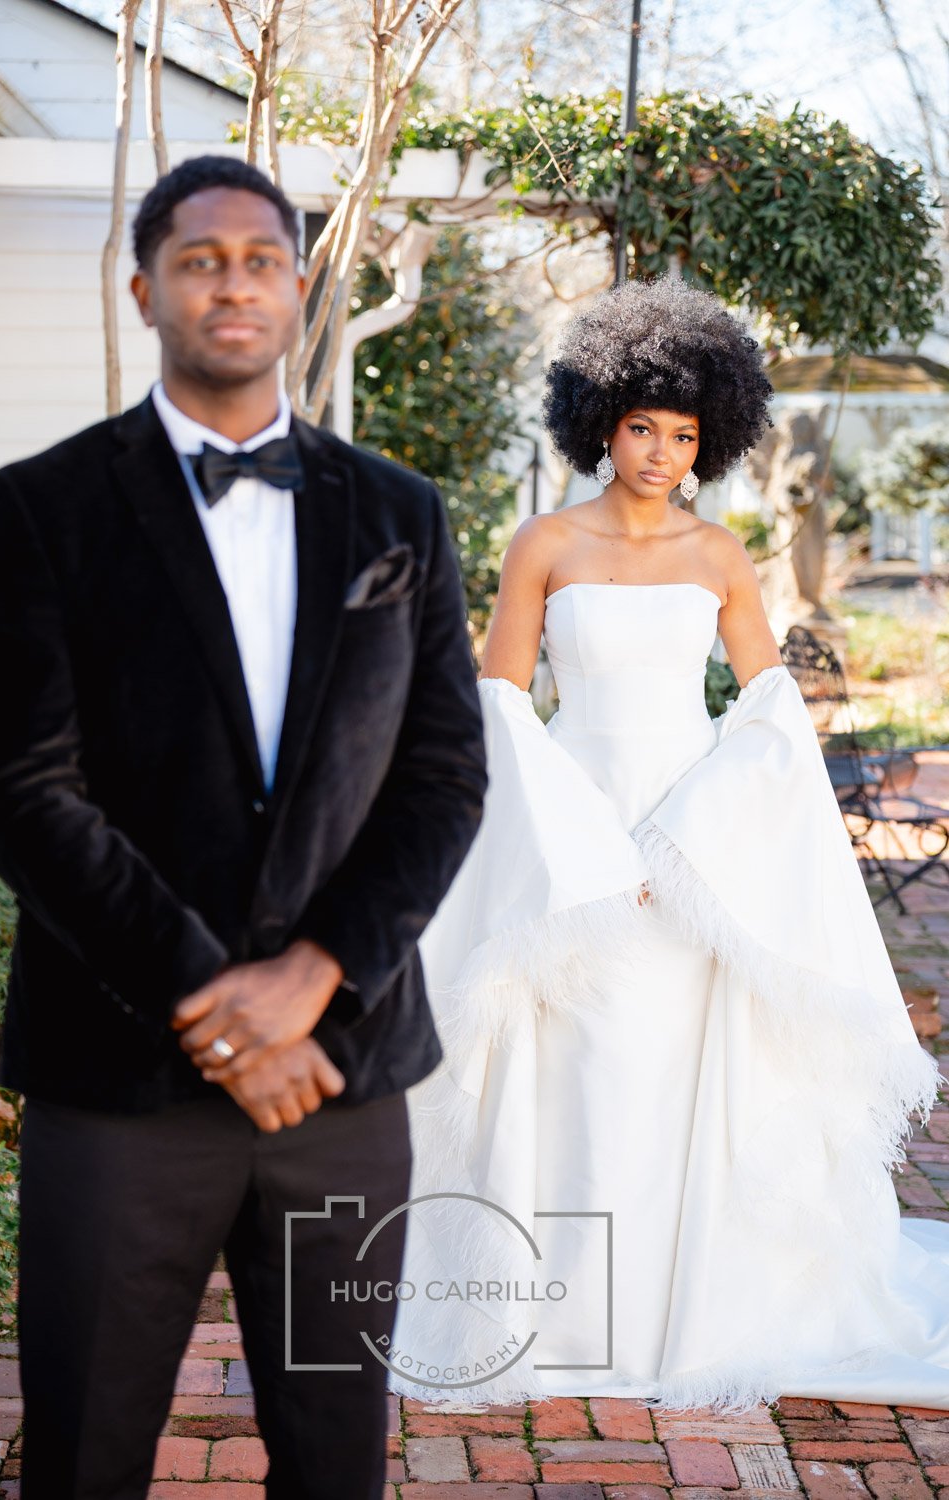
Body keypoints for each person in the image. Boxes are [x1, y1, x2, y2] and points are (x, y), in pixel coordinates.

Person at [0, 154, 487, 1499]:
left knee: (333, 1453)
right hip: (119, 1080)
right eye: (200, 260)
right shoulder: (39, 509)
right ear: (145, 290)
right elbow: (23, 791)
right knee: (85, 1453)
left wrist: (315, 977)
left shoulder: (400, 512)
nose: (233, 284)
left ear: (300, 288)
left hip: (341, 1077)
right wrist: (216, 1004)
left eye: (261, 260)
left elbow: (442, 777)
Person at [385, 274, 949, 1414]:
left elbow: (767, 710)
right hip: (568, 828)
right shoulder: (544, 543)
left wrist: (687, 844)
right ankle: (568, 1311)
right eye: (643, 426)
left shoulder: (719, 553)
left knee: (685, 1062)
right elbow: (500, 704)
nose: (661, 452)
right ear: (601, 421)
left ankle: (694, 1309)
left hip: (696, 839)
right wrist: (585, 849)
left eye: (685, 434)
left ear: (711, 439)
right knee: (579, 1060)